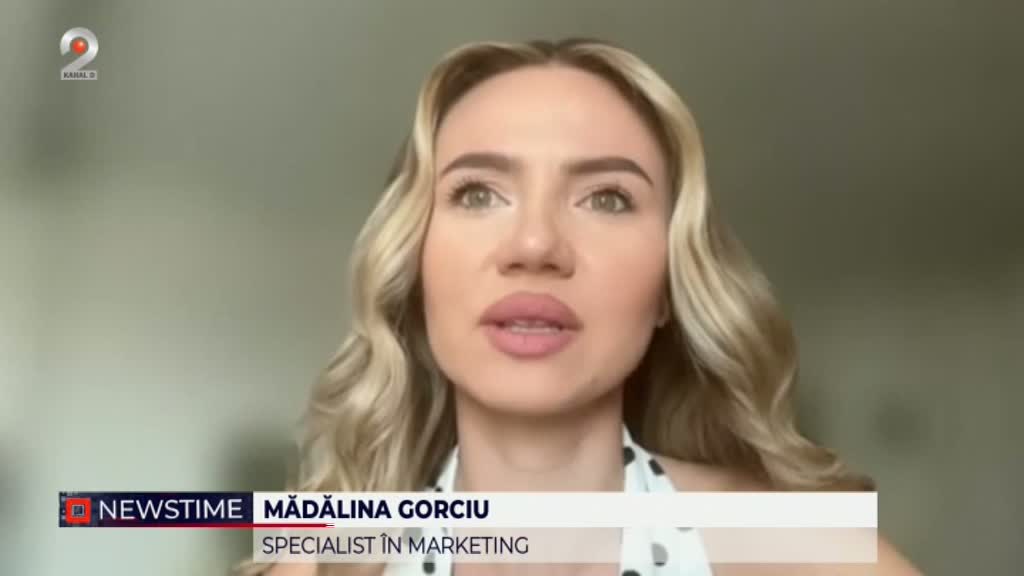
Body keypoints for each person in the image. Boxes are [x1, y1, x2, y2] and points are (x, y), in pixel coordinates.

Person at [244, 38, 921, 576]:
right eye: (477, 194)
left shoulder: (810, 555)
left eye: (607, 198)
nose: (535, 245)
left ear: (670, 282)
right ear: (414, 265)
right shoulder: (325, 564)